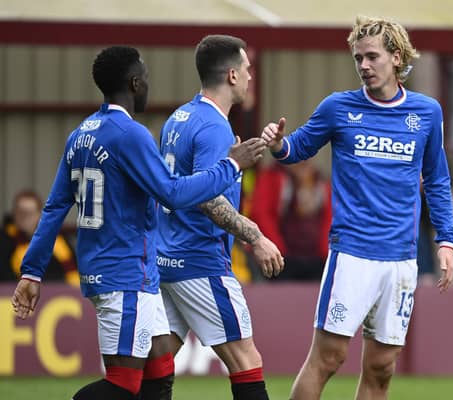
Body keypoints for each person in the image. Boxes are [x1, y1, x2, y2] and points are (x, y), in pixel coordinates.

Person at [11, 45, 265, 400]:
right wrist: (231, 165)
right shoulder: (130, 135)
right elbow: (172, 193)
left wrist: (32, 271)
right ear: (134, 84)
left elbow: (55, 206)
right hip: (125, 273)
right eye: (145, 79)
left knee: (159, 370)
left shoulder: (82, 134)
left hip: (130, 272)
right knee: (121, 384)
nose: (147, 86)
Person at [261, 16, 453, 400]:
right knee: (328, 359)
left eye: (371, 57)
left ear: (396, 57)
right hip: (352, 253)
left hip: (401, 259)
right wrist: (277, 144)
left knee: (381, 369)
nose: (363, 66)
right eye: (358, 58)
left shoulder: (427, 113)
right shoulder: (338, 108)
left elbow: (436, 179)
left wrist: (446, 239)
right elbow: (296, 149)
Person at [155, 35, 283, 400]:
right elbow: (207, 200)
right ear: (231, 75)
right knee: (246, 360)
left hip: (167, 258)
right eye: (247, 69)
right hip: (199, 260)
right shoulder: (214, 127)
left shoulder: (180, 116)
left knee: (159, 359)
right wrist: (255, 237)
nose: (249, 77)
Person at [250, 159, 331, 281]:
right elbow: (261, 214)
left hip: (317, 261)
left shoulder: (320, 182)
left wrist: (326, 254)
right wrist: (277, 251)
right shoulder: (273, 177)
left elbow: (329, 218)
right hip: (282, 260)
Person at [1, 190, 78, 286]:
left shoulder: (56, 240)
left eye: (29, 213)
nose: (24, 217)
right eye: (20, 212)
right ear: (14, 213)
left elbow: (73, 274)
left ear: (39, 215)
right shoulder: (4, 240)